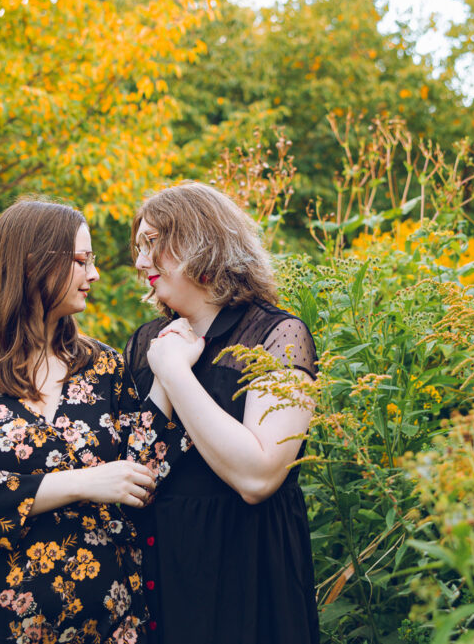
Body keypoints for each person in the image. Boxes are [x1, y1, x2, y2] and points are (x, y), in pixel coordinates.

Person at [0, 199, 184, 644]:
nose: (93, 275)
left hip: (103, 623)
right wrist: (81, 482)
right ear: (33, 265)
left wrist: (172, 376)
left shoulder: (104, 366)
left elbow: (142, 471)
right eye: (82, 261)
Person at [126, 182, 319, 644]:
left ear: (200, 243)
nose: (140, 262)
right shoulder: (144, 342)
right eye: (139, 247)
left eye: (152, 244)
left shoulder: (278, 335)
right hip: (160, 569)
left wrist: (175, 375)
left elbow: (258, 477)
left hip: (247, 570)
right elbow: (131, 465)